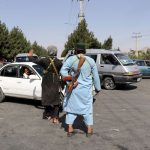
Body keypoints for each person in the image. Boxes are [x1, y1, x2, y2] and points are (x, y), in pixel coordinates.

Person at [60, 43, 101, 137]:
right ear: (84, 51)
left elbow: (62, 71)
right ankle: (89, 130)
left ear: (76, 50)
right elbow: (95, 77)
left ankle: (70, 129)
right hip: (86, 91)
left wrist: (70, 81)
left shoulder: (71, 59)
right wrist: (98, 88)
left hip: (74, 89)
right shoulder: (91, 61)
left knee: (71, 109)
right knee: (87, 110)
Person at [28, 49, 62, 124]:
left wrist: (30, 55)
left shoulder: (44, 60)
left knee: (46, 98)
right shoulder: (59, 62)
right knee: (56, 100)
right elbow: (62, 72)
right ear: (56, 53)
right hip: (55, 82)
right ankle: (55, 118)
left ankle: (48, 115)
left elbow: (34, 60)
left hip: (46, 82)